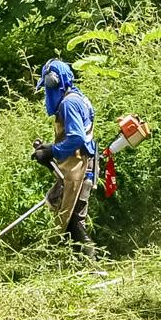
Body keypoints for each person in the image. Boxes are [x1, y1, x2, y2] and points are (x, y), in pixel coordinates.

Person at [30, 59, 98, 258]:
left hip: (81, 167)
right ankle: (75, 263)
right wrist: (48, 152)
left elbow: (76, 138)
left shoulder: (69, 103)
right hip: (80, 165)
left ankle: (92, 267)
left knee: (73, 219)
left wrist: (53, 151)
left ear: (53, 82)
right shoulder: (78, 98)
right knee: (67, 215)